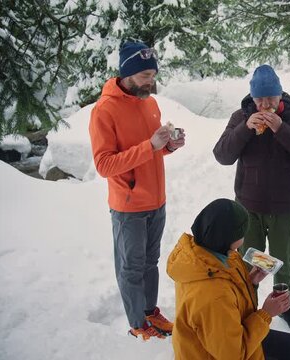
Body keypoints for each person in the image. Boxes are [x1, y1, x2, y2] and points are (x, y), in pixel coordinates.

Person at [89, 40, 186, 340]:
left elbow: (151, 151)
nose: (151, 81)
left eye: (153, 74)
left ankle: (149, 311)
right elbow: (104, 165)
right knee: (131, 268)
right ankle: (137, 324)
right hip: (128, 206)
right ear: (128, 73)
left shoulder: (150, 103)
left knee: (150, 262)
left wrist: (168, 146)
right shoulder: (104, 111)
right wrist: (150, 146)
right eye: (145, 75)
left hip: (156, 201)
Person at [213, 64, 290, 332]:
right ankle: (247, 305)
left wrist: (282, 129)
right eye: (259, 100)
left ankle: (283, 306)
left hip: (284, 207)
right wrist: (245, 129)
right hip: (248, 206)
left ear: (280, 95)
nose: (264, 105)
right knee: (251, 259)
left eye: (270, 99)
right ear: (252, 98)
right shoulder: (241, 117)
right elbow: (222, 155)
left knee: (282, 259)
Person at [166, 198, 290, 360]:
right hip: (222, 352)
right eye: (242, 232)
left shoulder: (206, 256)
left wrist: (251, 281)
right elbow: (234, 355)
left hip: (232, 335)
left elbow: (230, 298)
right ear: (229, 237)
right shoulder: (213, 297)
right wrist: (266, 313)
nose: (245, 237)